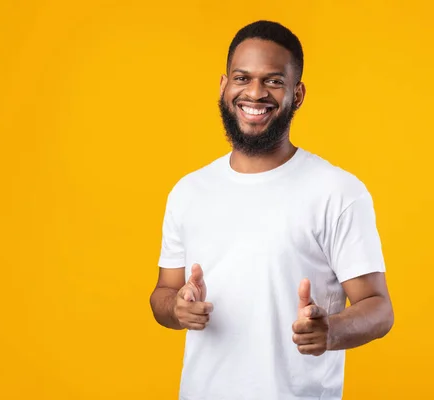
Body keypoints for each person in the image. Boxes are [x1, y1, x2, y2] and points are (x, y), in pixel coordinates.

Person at [150, 20, 394, 400]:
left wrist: (330, 331)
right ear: (223, 87)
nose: (255, 93)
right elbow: (163, 293)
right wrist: (177, 308)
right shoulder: (188, 191)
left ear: (297, 94)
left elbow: (379, 308)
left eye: (274, 81)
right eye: (242, 78)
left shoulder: (338, 191)